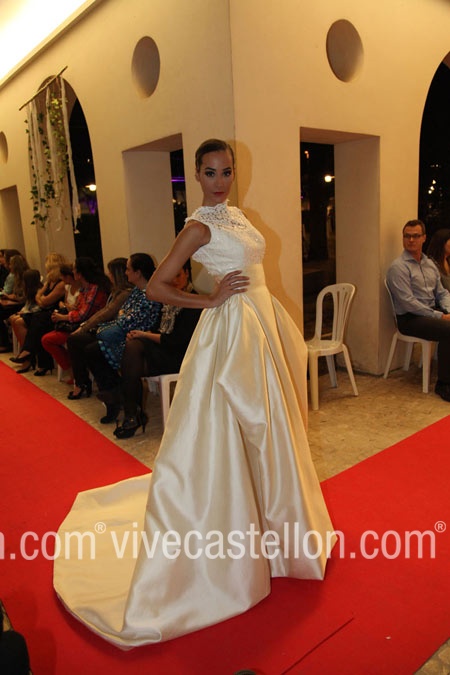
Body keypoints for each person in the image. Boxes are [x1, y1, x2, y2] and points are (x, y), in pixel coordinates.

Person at [54, 138, 336, 647]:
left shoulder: (237, 215)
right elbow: (157, 286)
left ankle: (277, 532)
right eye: (210, 173)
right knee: (236, 428)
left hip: (260, 322)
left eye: (226, 171)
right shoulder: (197, 227)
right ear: (197, 175)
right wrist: (208, 299)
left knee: (268, 429)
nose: (220, 181)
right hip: (231, 331)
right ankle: (230, 543)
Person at [112, 263, 202, 438]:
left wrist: (145, 335)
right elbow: (157, 329)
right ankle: (132, 413)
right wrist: (141, 334)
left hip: (180, 355)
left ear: (187, 273)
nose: (174, 280)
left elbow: (176, 341)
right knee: (133, 349)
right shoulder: (169, 298)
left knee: (133, 356)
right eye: (171, 276)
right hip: (163, 350)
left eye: (178, 275)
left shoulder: (194, 301)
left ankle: (131, 412)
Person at [81, 253, 161, 410]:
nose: (126, 273)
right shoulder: (136, 291)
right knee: (91, 349)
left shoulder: (150, 294)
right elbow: (122, 314)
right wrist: (123, 317)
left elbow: (130, 321)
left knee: (95, 347)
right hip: (127, 334)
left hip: (139, 340)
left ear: (138, 273)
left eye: (128, 269)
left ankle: (118, 395)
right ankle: (114, 393)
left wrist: (123, 317)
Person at [386, 218, 450, 401]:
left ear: (424, 238)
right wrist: (439, 316)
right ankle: (444, 384)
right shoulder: (398, 268)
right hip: (409, 318)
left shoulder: (429, 264)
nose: (411, 240)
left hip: (429, 312)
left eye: (415, 236)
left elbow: (441, 292)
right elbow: (408, 303)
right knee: (449, 329)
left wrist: (448, 309)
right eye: (407, 236)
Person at [66, 257, 131, 405]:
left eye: (111, 272)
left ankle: (105, 387)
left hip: (114, 332)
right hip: (107, 328)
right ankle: (85, 383)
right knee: (76, 341)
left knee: (85, 345)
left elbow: (105, 313)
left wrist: (83, 327)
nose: (108, 275)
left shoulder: (124, 293)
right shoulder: (116, 292)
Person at [40, 257, 110, 377]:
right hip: (79, 322)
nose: (72, 272)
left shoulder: (94, 288)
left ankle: (74, 373)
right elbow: (78, 309)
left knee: (48, 339)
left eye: (74, 269)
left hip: (89, 325)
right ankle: (73, 371)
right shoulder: (84, 287)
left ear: (80, 273)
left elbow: (83, 314)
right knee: (44, 329)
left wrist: (63, 317)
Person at [11, 253, 67, 376]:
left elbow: (45, 301)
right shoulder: (49, 281)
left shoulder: (60, 283)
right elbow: (39, 298)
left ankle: (28, 354)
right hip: (43, 313)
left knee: (37, 322)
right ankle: (29, 356)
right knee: (23, 321)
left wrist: (41, 299)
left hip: (53, 314)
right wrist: (41, 299)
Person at [0, 255, 29, 351]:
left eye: (11, 264)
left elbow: (23, 297)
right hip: (16, 303)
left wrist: (10, 298)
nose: (9, 266)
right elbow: (15, 294)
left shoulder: (24, 278)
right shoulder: (16, 278)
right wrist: (10, 297)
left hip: (21, 305)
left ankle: (5, 343)